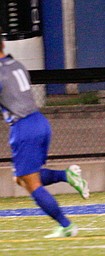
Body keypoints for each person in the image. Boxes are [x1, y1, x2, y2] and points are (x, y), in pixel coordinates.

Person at [0, 30, 89, 238]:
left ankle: (66, 225)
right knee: (21, 178)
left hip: (24, 127)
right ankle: (66, 176)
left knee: (31, 182)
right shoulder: (17, 65)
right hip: (39, 122)